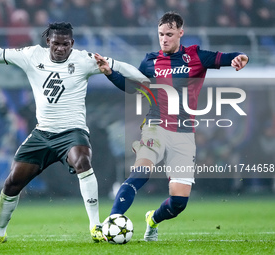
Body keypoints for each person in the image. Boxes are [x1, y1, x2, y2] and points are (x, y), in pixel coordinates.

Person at [0, 22, 149, 244]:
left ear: (72, 44)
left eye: (65, 44)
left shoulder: (84, 59)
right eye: (55, 43)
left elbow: (121, 66)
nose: (60, 48)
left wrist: (145, 81)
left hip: (72, 132)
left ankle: (95, 226)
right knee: (12, 183)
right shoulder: (31, 55)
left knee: (83, 161)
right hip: (42, 133)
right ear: (48, 42)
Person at [96, 11, 249, 241]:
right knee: (141, 172)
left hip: (184, 133)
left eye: (169, 34)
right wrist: (109, 72)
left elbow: (228, 57)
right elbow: (131, 88)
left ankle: (152, 220)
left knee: (178, 202)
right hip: (155, 126)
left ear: (180, 33)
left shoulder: (196, 56)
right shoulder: (149, 61)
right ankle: (111, 221)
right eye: (160, 34)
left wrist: (241, 57)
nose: (164, 39)